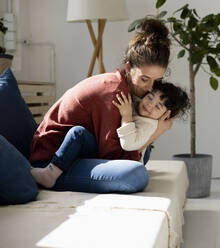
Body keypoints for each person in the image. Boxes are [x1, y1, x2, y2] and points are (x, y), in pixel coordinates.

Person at [29, 19, 175, 194]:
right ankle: (49, 177)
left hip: (81, 149)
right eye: (145, 79)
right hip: (53, 157)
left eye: (156, 81)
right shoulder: (115, 93)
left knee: (144, 151)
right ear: (129, 68)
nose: (151, 88)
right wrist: (156, 132)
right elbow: (112, 156)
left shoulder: (122, 85)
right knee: (136, 173)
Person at [31, 81, 190, 189]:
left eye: (158, 106)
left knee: (77, 134)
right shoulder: (143, 110)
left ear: (165, 115)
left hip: (120, 156)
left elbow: (128, 144)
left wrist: (127, 116)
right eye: (150, 97)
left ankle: (51, 173)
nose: (149, 104)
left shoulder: (149, 125)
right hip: (116, 150)